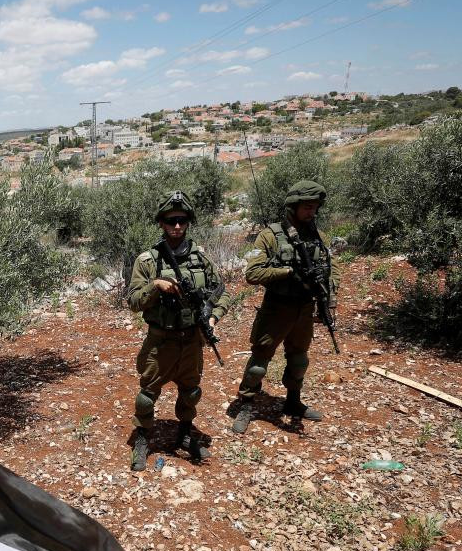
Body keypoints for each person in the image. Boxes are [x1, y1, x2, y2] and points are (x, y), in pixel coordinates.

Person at [125, 190, 231, 472]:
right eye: (171, 220)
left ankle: (185, 433)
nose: (176, 226)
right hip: (161, 341)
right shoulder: (148, 261)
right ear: (161, 223)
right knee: (147, 394)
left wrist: (213, 318)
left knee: (191, 392)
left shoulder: (201, 259)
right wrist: (156, 286)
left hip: (192, 340)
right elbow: (134, 301)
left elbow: (221, 293)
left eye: (182, 220)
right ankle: (143, 438)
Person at [231, 180, 339, 434]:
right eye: (307, 207)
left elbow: (332, 269)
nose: (312, 212)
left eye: (315, 208)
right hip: (277, 309)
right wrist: (287, 271)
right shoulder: (270, 236)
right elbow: (253, 273)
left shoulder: (318, 237)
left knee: (299, 359)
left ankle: (293, 401)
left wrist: (329, 299)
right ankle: (246, 404)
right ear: (293, 206)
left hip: (304, 308)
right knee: (260, 361)